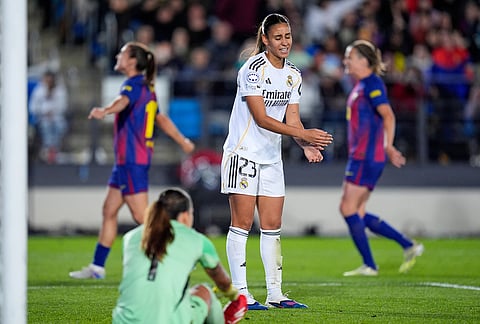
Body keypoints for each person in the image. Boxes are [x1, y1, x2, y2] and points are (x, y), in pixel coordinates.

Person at [221, 13, 333, 310]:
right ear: (266, 40)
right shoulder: (253, 69)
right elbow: (261, 118)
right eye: (278, 38)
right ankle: (240, 293)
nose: (285, 42)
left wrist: (304, 143)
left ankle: (275, 294)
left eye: (288, 37)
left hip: (271, 159)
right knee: (242, 225)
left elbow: (291, 118)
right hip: (242, 154)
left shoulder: (294, 74)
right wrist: (304, 133)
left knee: (272, 226)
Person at [69, 41, 195, 279]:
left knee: (142, 217)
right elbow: (161, 118)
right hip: (127, 161)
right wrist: (183, 140)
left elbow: (122, 103)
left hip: (132, 160)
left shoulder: (133, 85)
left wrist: (105, 111)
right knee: (109, 210)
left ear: (132, 62)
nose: (118, 56)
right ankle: (97, 267)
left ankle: (180, 254)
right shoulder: (147, 87)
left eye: (122, 54)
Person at [340, 39, 424, 277]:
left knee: (347, 208)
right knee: (360, 212)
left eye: (350, 56)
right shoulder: (360, 85)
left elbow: (388, 115)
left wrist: (388, 146)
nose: (346, 60)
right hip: (364, 154)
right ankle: (408, 245)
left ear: (364, 61)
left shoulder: (372, 83)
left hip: (366, 155)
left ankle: (370, 265)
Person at [112, 188, 248, 324]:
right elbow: (222, 281)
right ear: (184, 216)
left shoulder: (130, 238)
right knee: (204, 291)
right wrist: (235, 297)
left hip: (122, 320)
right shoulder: (197, 240)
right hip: (169, 320)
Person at [29, 70, 68, 164]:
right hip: (42, 118)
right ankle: (49, 151)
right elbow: (32, 107)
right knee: (46, 126)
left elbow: (63, 106)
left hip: (57, 117)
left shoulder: (60, 90)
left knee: (60, 126)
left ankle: (54, 150)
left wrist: (53, 112)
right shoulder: (38, 90)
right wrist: (43, 112)